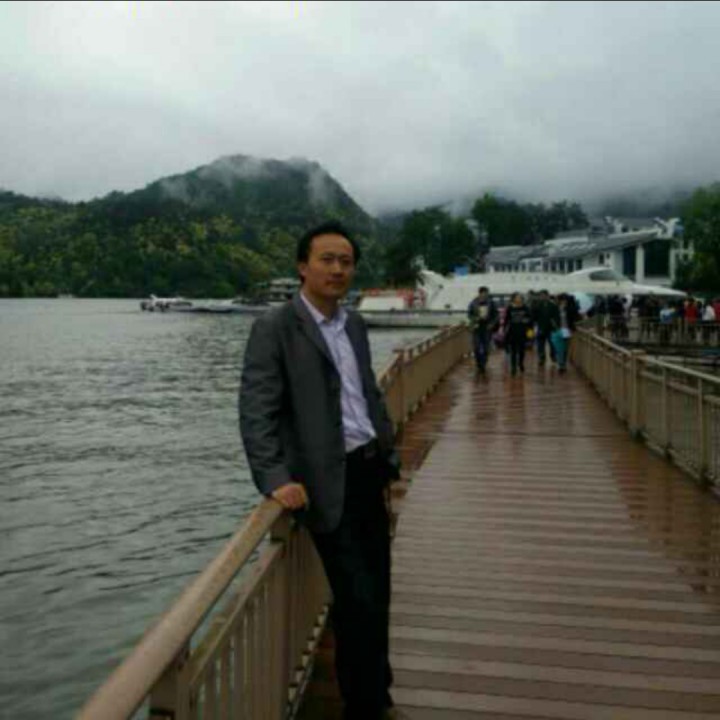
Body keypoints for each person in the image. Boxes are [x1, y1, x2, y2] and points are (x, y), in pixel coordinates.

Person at [239, 221, 403, 720]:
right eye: (327, 260)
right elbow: (257, 411)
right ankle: (365, 705)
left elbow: (365, 393)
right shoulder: (276, 327)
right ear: (302, 266)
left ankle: (377, 690)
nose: (337, 269)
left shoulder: (353, 325)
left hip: (369, 470)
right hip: (325, 482)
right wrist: (275, 478)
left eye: (346, 262)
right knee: (357, 598)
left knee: (378, 590)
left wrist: (388, 450)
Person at [467, 286, 498, 373]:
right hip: (476, 326)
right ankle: (478, 363)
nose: (485, 295)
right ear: (480, 293)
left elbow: (496, 315)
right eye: (484, 293)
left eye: (487, 293)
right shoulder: (473, 302)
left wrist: (492, 324)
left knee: (486, 346)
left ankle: (483, 363)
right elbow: (469, 314)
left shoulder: (491, 303)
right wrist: (475, 318)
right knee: (476, 346)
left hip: (486, 327)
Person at [503, 292, 532, 376]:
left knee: (521, 350)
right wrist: (505, 329)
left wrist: (529, 328)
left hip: (522, 331)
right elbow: (506, 319)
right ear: (514, 299)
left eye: (520, 297)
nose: (519, 299)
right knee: (513, 350)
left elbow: (530, 318)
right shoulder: (510, 308)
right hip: (512, 331)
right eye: (517, 297)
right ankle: (513, 367)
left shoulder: (525, 308)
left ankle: (520, 363)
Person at [551, 293, 579, 373]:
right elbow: (551, 318)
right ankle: (561, 364)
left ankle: (563, 363)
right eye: (562, 300)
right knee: (559, 348)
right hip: (557, 330)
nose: (563, 302)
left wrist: (572, 327)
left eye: (564, 300)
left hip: (566, 330)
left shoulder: (570, 309)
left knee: (565, 348)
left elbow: (575, 318)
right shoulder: (555, 308)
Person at [532, 289, 560, 366]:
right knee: (540, 344)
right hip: (541, 327)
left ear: (548, 296)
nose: (542, 297)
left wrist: (556, 326)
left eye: (544, 295)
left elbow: (557, 317)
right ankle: (541, 358)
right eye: (541, 296)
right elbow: (534, 317)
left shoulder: (553, 306)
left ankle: (553, 356)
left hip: (551, 328)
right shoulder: (537, 306)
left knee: (552, 343)